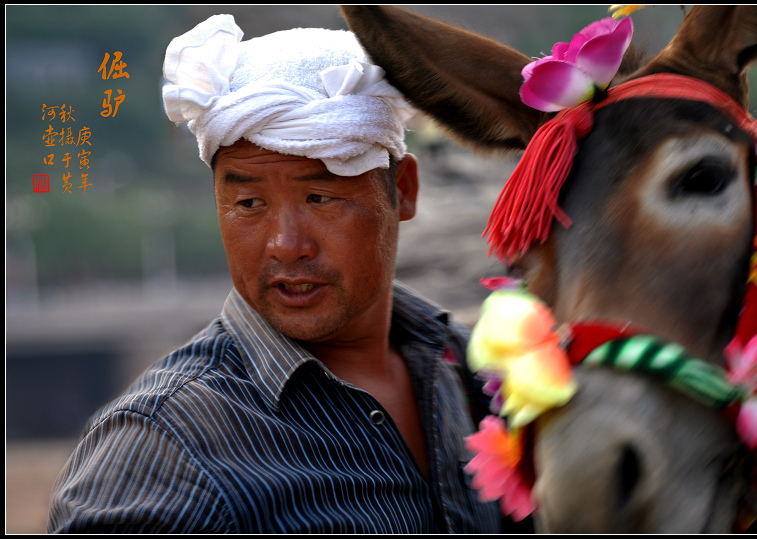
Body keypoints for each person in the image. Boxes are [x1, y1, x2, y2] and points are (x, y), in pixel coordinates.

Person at [47, 14, 501, 533]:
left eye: (320, 197)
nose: (286, 245)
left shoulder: (478, 377)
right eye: (248, 202)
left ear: (405, 191)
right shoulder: (163, 447)